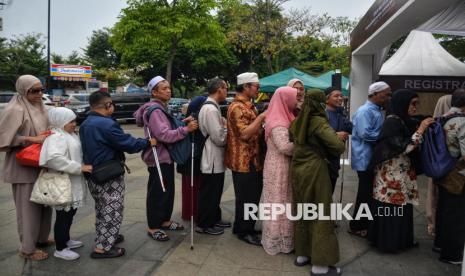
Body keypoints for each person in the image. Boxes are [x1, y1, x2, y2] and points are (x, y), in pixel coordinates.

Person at [80, 90, 156, 258]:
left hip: (93, 172)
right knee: (112, 208)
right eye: (111, 104)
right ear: (108, 105)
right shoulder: (106, 124)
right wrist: (147, 142)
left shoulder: (86, 123)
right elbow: (127, 144)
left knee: (101, 207)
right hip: (108, 173)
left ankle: (106, 237)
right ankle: (103, 248)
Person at [368, 90, 433, 253]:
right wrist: (422, 129)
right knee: (392, 208)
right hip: (391, 173)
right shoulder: (392, 121)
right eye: (413, 103)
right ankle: (389, 243)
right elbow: (404, 146)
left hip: (400, 171)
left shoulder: (402, 119)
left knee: (402, 207)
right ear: (402, 103)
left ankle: (401, 241)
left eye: (417, 103)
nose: (415, 107)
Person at [134, 76, 198, 242]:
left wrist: (183, 122)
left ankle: (164, 221)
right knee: (158, 193)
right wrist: (186, 130)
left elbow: (167, 127)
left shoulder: (161, 108)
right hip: (158, 157)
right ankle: (153, 226)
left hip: (165, 157)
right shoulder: (155, 110)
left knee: (167, 191)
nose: (168, 90)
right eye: (164, 88)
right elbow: (164, 135)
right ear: (154, 92)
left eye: (169, 87)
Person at [290, 90, 345, 275]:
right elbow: (338, 147)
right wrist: (339, 137)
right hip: (315, 170)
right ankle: (320, 265)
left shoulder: (298, 121)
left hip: (298, 170)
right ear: (321, 104)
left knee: (304, 211)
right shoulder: (319, 122)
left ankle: (302, 254)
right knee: (321, 213)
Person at [0, 75, 52, 261]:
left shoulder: (40, 107)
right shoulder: (15, 109)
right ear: (23, 90)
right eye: (34, 91)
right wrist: (30, 139)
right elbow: (3, 139)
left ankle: (41, 238)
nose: (39, 94)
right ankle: (27, 249)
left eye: (41, 90)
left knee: (45, 204)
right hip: (22, 166)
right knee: (27, 209)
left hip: (41, 163)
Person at [39, 107, 91, 260]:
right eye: (71, 121)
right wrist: (78, 167)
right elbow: (53, 158)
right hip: (63, 182)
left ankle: (66, 240)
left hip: (72, 180)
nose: (74, 124)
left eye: (75, 121)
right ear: (60, 122)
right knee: (63, 215)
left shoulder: (68, 134)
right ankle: (60, 248)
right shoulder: (56, 136)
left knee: (69, 213)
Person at [225, 72, 266, 246]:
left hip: (253, 160)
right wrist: (262, 118)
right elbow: (244, 134)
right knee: (247, 198)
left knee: (252, 197)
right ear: (246, 87)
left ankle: (242, 226)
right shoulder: (236, 108)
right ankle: (244, 231)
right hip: (243, 161)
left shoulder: (250, 106)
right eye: (256, 87)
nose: (258, 90)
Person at [350, 81, 391, 238]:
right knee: (365, 194)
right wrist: (385, 137)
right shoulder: (365, 111)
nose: (388, 97)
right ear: (374, 94)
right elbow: (365, 134)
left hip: (371, 157)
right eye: (385, 94)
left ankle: (364, 223)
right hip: (364, 158)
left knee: (368, 193)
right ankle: (357, 225)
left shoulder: (377, 110)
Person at [261, 86, 297, 255]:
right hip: (279, 165)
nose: (296, 101)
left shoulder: (282, 116)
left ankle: (282, 237)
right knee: (279, 200)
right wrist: (304, 144)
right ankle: (278, 238)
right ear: (285, 100)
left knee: (282, 200)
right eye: (294, 97)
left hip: (278, 164)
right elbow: (284, 147)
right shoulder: (279, 122)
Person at [196, 78, 231, 235]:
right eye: (226, 88)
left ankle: (214, 219)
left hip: (214, 157)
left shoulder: (212, 106)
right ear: (219, 89)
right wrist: (226, 131)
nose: (227, 91)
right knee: (209, 193)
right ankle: (205, 224)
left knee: (215, 192)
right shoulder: (210, 109)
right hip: (211, 158)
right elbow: (218, 137)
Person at [434, 89, 465, 265]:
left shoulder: (442, 118)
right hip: (458, 175)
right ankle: (452, 253)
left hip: (442, 170)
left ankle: (440, 244)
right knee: (457, 214)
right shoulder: (462, 122)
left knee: (444, 209)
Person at [177, 95, 206, 221]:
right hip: (191, 159)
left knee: (192, 187)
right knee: (192, 187)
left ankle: (191, 212)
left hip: (191, 159)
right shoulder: (190, 124)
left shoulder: (193, 119)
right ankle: (191, 213)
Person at [426, 94, 452, 237]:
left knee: (434, 196)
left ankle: (434, 225)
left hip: (437, 166)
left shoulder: (435, 124)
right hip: (448, 168)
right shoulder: (452, 123)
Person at [324, 87, 352, 193]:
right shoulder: (323, 115)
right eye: (336, 96)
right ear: (327, 99)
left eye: (341, 96)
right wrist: (335, 135)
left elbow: (352, 128)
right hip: (324, 161)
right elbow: (318, 134)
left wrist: (343, 113)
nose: (340, 98)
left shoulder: (340, 114)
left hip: (335, 161)